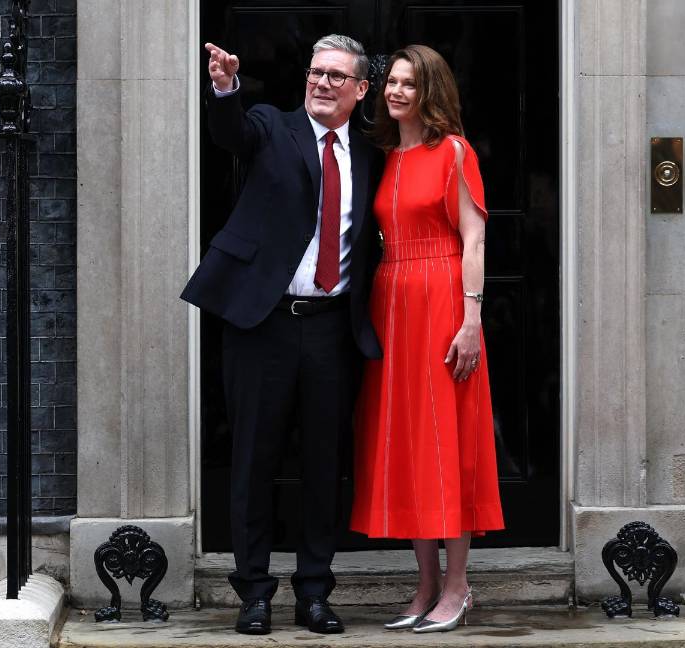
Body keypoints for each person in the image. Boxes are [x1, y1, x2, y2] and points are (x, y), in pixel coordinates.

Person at [181, 35, 381, 635]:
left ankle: (315, 592)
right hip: (262, 324)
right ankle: (254, 593)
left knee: (325, 466)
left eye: (337, 77)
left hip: (331, 329)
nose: (322, 83)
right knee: (253, 461)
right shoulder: (271, 125)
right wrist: (223, 89)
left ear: (360, 90)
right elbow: (230, 134)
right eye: (316, 73)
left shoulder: (373, 155)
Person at [349, 44, 504, 633]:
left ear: (430, 92)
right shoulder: (386, 156)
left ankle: (460, 585)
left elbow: (474, 239)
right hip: (392, 305)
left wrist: (471, 320)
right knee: (410, 440)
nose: (395, 91)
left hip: (442, 300)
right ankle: (426, 584)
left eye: (409, 84)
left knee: (447, 439)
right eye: (391, 81)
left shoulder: (454, 152)